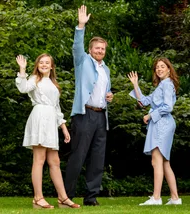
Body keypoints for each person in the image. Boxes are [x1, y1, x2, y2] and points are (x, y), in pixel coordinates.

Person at [15, 54, 80, 209]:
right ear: (37, 65)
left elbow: (56, 108)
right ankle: (38, 198)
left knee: (55, 161)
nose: (44, 65)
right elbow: (23, 88)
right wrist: (22, 70)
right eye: (41, 62)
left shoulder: (53, 84)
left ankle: (63, 198)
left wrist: (63, 127)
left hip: (51, 122)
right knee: (39, 158)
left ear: (52, 66)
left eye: (47, 63)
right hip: (39, 119)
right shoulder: (34, 80)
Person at [64, 5, 113, 206]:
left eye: (103, 49)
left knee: (97, 158)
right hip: (84, 115)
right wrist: (80, 26)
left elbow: (103, 90)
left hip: (102, 116)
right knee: (78, 156)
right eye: (97, 48)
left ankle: (91, 197)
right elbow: (77, 46)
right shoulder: (82, 61)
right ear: (90, 50)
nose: (100, 51)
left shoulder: (106, 69)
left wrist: (109, 96)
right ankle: (67, 196)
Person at [127, 58, 182, 206]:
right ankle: (175, 198)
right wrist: (135, 85)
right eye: (157, 67)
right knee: (164, 162)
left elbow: (168, 107)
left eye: (162, 66)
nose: (159, 69)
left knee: (156, 160)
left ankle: (156, 198)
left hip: (162, 124)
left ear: (169, 69)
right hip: (160, 124)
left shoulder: (167, 85)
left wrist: (151, 115)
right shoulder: (161, 86)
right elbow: (144, 101)